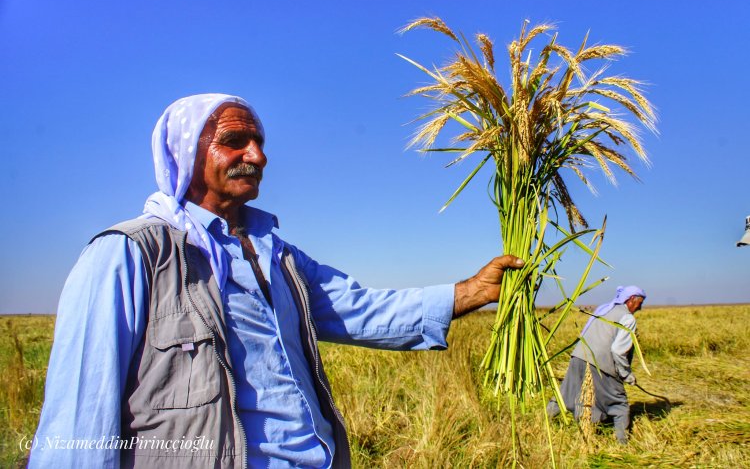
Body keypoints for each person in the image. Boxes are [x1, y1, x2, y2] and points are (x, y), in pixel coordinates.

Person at [30, 93, 524, 468]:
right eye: (233, 142)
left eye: (260, 143)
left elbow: (359, 308)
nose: (257, 156)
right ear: (185, 153)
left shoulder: (277, 255)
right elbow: (80, 417)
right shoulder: (130, 254)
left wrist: (472, 292)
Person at [546, 285, 646, 444]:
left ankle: (543, 423)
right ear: (630, 299)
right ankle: (623, 443)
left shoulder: (604, 309)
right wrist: (627, 375)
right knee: (618, 403)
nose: (640, 308)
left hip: (578, 355)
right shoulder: (627, 318)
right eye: (639, 303)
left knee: (566, 393)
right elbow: (618, 351)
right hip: (599, 362)